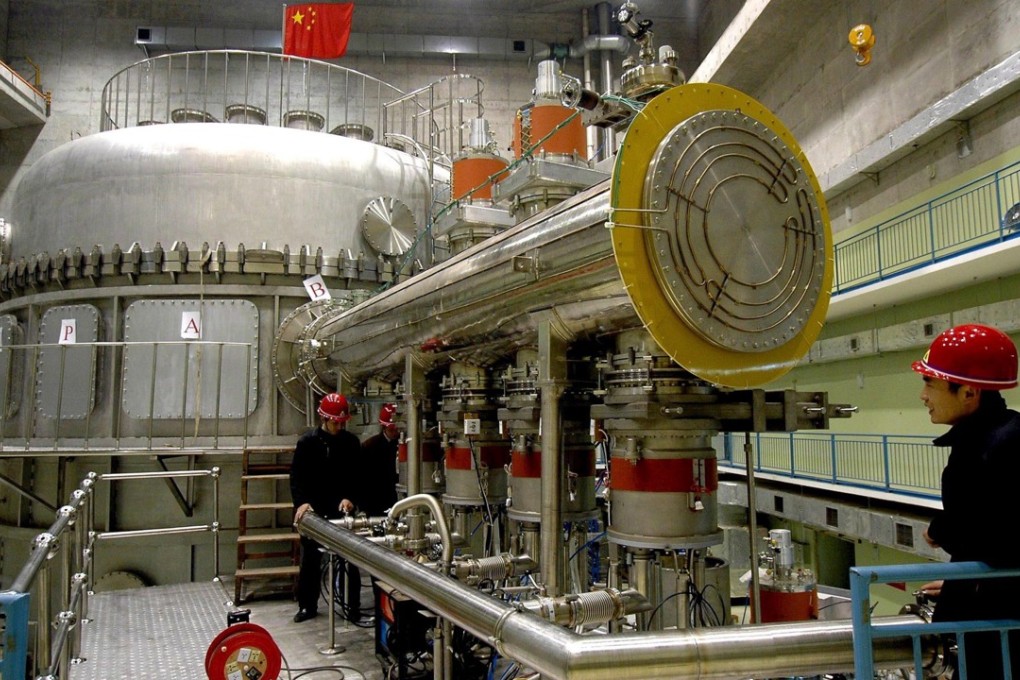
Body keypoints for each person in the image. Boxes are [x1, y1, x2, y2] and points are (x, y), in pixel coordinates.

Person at [911, 323, 1020, 677]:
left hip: (1003, 634)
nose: (923, 395)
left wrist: (943, 531)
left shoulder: (995, 450)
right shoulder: (997, 437)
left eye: (930, 382)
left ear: (969, 393)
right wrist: (970, 583)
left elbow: (993, 532)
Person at [289, 392, 363, 623]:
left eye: (342, 422)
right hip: (315, 508)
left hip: (341, 508)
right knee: (311, 560)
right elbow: (297, 477)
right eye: (335, 422)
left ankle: (353, 606)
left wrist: (350, 498)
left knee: (350, 561)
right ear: (324, 419)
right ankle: (307, 606)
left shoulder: (351, 443)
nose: (338, 426)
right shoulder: (307, 443)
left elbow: (359, 477)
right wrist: (302, 503)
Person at [360, 403, 399, 516]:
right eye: (392, 430)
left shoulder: (406, 445)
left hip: (399, 501)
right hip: (377, 504)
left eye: (397, 429)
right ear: (384, 427)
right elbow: (363, 479)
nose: (395, 433)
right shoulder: (369, 447)